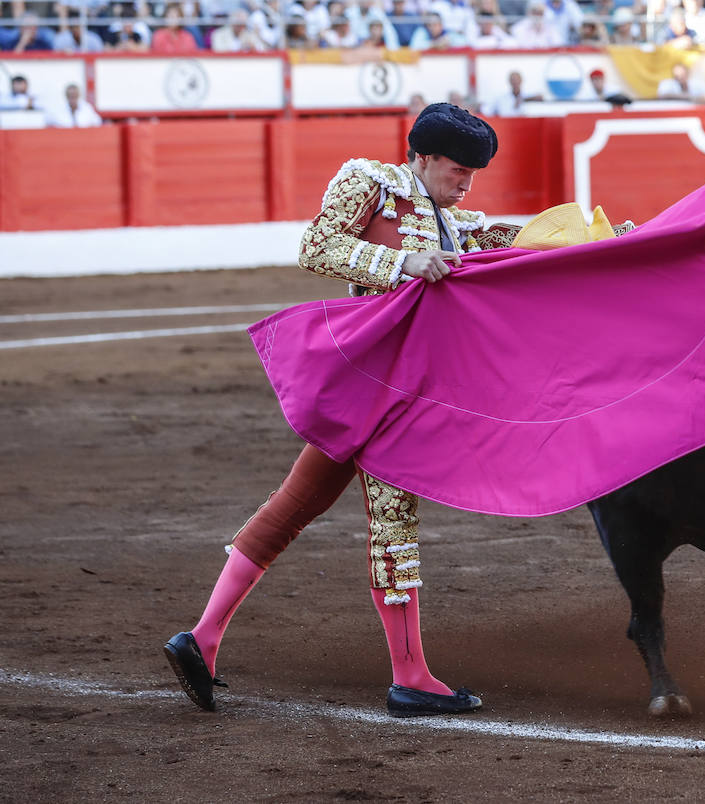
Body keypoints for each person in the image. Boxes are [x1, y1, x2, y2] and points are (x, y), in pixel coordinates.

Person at [163, 103, 500, 719]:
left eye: (474, 174)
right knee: (392, 520)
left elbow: (521, 247)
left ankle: (201, 639)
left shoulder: (458, 222)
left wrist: (609, 241)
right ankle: (411, 677)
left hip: (385, 392)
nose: (467, 184)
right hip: (377, 387)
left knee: (294, 505)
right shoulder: (369, 181)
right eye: (458, 170)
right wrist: (402, 262)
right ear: (421, 157)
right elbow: (316, 245)